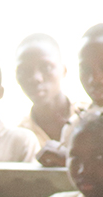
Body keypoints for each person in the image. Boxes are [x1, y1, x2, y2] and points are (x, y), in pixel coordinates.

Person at [14, 33, 76, 166]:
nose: (36, 78)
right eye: (25, 70)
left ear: (64, 70)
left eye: (46, 67)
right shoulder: (19, 136)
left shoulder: (88, 118)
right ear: (16, 77)